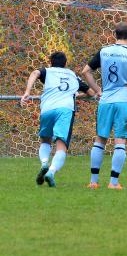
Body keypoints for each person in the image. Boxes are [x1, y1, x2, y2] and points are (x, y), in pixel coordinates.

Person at [82, 22, 127, 190]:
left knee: (100, 139)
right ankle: (113, 183)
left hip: (105, 101)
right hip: (123, 101)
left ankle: (93, 181)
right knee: (120, 141)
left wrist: (97, 90)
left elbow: (85, 71)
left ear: (115, 34)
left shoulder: (104, 51)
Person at [21, 51, 93, 187]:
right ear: (65, 63)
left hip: (47, 108)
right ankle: (51, 172)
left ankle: (44, 163)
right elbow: (91, 93)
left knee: (45, 140)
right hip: (65, 110)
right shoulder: (72, 75)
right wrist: (76, 96)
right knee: (61, 145)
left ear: (51, 62)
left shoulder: (47, 71)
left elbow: (35, 73)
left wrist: (27, 92)